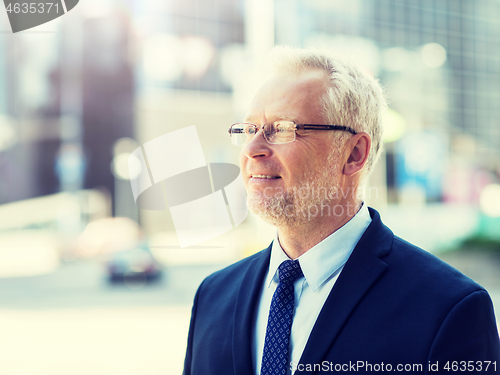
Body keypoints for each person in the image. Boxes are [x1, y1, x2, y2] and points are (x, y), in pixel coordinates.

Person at [183, 46, 500, 375]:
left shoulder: (449, 309)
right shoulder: (213, 295)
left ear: (353, 154)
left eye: (281, 129)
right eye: (249, 130)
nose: (252, 149)